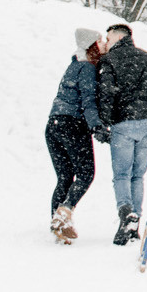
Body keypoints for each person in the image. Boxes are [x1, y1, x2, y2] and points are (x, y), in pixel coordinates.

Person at [95, 22, 147, 246]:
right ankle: (135, 225)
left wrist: (103, 124)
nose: (107, 41)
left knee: (122, 174)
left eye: (108, 37)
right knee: (137, 176)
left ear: (117, 37)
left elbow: (106, 93)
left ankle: (126, 214)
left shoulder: (109, 60)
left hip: (123, 122)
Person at [46, 29, 108, 243]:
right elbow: (88, 99)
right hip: (72, 124)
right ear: (91, 45)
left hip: (53, 125)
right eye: (100, 41)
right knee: (86, 173)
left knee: (64, 176)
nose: (103, 44)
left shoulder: (72, 66)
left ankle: (58, 225)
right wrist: (96, 126)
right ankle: (64, 212)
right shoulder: (87, 68)